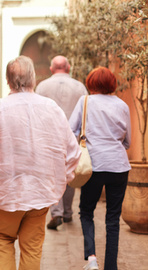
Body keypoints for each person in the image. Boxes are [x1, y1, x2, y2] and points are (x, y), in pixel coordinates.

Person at [0, 55, 81, 270]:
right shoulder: (52, 108)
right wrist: (59, 183)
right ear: (33, 79)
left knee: (2, 242)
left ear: (7, 81)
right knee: (32, 249)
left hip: (4, 196)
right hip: (40, 195)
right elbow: (73, 152)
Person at [68, 66, 131, 270]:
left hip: (93, 165)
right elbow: (127, 141)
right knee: (113, 218)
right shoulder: (122, 105)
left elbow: (71, 131)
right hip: (119, 166)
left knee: (86, 211)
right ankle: (111, 267)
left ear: (91, 84)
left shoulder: (85, 101)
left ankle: (92, 259)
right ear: (112, 84)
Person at [35, 55, 88, 230]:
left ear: (51, 69)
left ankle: (56, 212)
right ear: (68, 67)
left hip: (49, 137)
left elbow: (36, 113)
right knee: (69, 173)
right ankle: (67, 212)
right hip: (72, 137)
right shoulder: (79, 87)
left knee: (52, 174)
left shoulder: (42, 87)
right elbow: (86, 114)